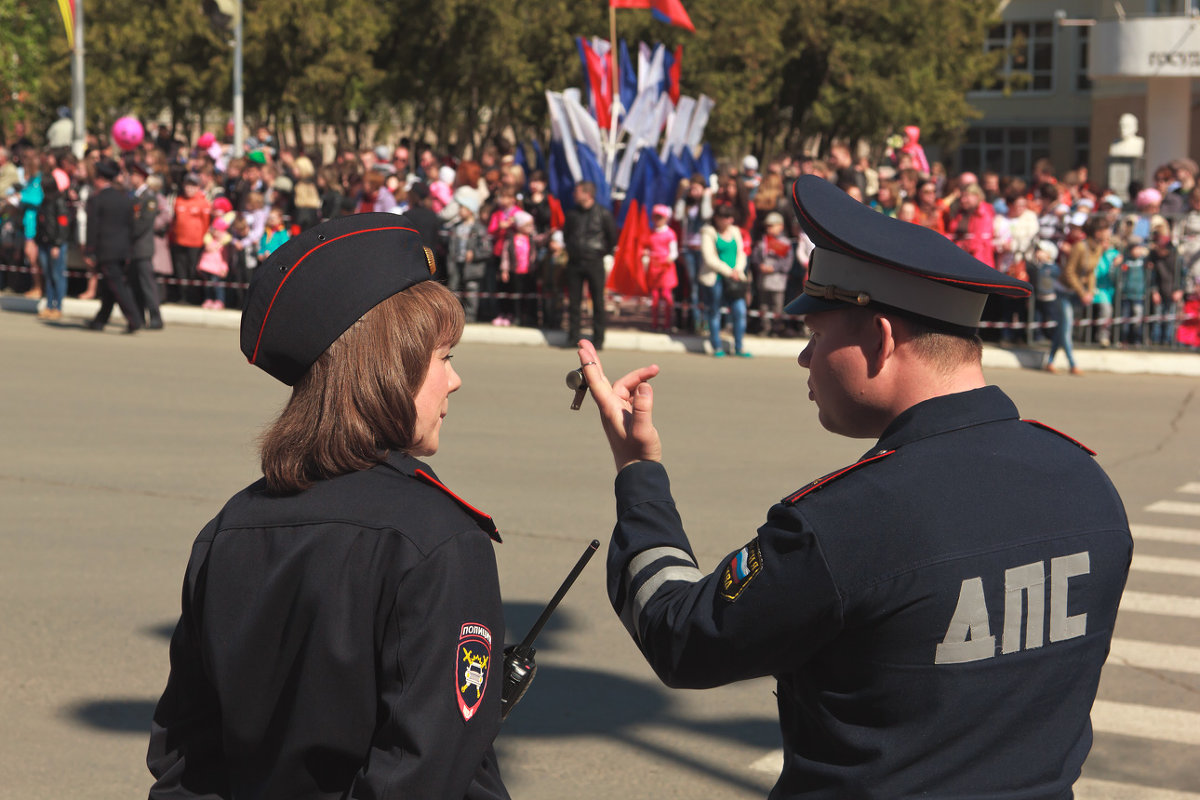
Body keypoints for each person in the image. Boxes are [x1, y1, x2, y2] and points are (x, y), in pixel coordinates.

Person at [574, 174, 1131, 799]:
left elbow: (681, 637)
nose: (805, 360)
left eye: (816, 335)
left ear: (880, 337)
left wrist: (638, 473)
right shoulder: (1086, 480)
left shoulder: (850, 519)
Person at [147, 213, 511, 800]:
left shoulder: (231, 527)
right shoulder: (436, 539)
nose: (455, 380)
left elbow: (186, 759)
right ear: (389, 366)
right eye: (443, 357)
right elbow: (420, 777)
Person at [85, 159, 142, 333]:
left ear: (99, 179)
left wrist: (90, 251)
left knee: (116, 286)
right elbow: (132, 226)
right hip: (122, 249)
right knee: (109, 286)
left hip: (106, 249)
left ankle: (134, 318)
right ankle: (100, 320)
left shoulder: (97, 199)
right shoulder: (124, 199)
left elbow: (93, 227)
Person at [563, 180, 616, 349]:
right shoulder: (572, 214)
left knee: (598, 301)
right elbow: (567, 235)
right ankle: (573, 338)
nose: (574, 195)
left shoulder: (603, 213)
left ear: (587, 194)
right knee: (574, 301)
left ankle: (599, 339)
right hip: (575, 263)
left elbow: (612, 238)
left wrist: (599, 253)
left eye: (577, 191)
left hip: (594, 262)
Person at [699, 204, 750, 357]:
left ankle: (739, 347)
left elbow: (741, 253)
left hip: (735, 278)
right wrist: (728, 272)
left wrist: (738, 270)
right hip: (716, 278)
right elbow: (709, 258)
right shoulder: (708, 232)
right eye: (726, 217)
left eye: (731, 217)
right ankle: (717, 346)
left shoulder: (734, 231)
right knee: (714, 311)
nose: (729, 220)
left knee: (739, 311)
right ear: (717, 218)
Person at [128, 162, 164, 329]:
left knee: (147, 284)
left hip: (142, 246)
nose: (131, 177)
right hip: (132, 248)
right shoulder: (133, 195)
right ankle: (139, 316)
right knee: (135, 285)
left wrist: (127, 233)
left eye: (134, 175)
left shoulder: (149, 197)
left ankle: (155, 317)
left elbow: (144, 223)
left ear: (141, 177)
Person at [644, 204, 678, 332]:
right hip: (654, 267)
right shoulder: (651, 234)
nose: (657, 220)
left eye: (660, 217)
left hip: (665, 268)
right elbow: (647, 248)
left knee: (666, 296)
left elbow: (674, 252)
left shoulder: (670, 234)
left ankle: (667, 323)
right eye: (656, 217)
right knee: (655, 297)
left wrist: (668, 259)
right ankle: (654, 323)